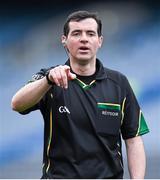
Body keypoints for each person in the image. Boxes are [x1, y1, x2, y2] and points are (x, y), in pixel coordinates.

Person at [11, 10, 149, 179]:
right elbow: (17, 104)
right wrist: (47, 80)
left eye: (90, 34)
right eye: (76, 33)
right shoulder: (49, 79)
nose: (84, 39)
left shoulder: (119, 83)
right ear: (64, 40)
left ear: (99, 41)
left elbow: (133, 139)